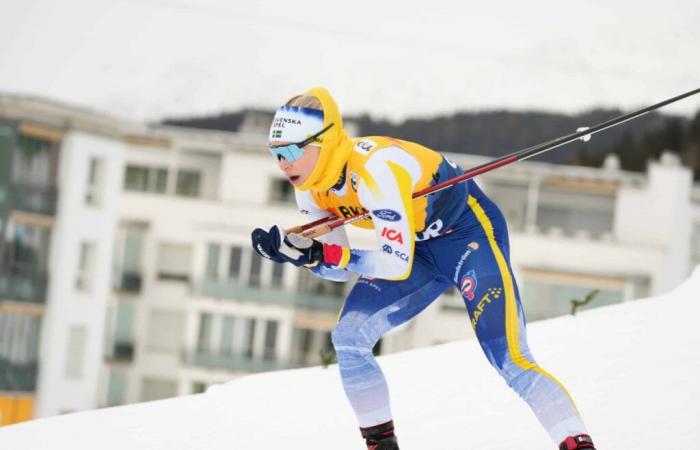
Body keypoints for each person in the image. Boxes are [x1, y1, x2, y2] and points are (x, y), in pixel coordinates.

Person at [251, 87, 596, 450]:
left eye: (290, 150)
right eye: (276, 153)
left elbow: (392, 264)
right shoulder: (310, 189)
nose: (283, 164)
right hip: (416, 249)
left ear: (325, 141)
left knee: (511, 359)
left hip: (466, 235)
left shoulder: (374, 170)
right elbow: (339, 266)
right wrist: (300, 255)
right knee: (349, 337)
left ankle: (578, 444)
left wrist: (324, 255)